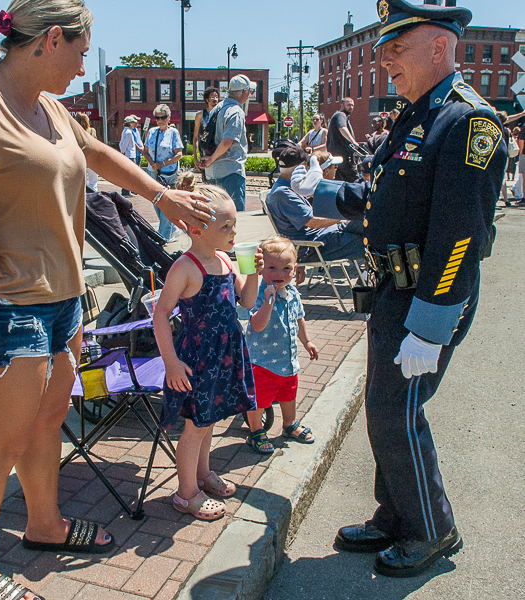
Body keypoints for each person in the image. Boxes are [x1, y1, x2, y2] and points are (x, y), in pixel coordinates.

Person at [0, 3, 213, 599]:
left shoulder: (48, 107)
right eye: (80, 52)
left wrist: (162, 196)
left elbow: (97, 156)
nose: (82, 67)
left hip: (63, 301)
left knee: (49, 419)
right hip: (5, 306)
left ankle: (45, 525)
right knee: (4, 442)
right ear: (52, 40)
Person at [293, 0, 506, 578]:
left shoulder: (467, 122)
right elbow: (381, 194)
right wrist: (318, 196)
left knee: (398, 412)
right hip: (395, 286)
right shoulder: (419, 114)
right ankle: (397, 513)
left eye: (396, 47)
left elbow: (460, 235)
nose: (383, 58)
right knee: (385, 409)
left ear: (439, 46)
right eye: (382, 47)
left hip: (430, 295)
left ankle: (433, 529)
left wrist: (430, 324)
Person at [153, 181, 261, 520]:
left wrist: (253, 272)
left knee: (209, 419)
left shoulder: (226, 261)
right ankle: (186, 493)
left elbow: (245, 302)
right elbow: (159, 315)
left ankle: (203, 473)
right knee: (195, 426)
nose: (233, 232)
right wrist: (170, 362)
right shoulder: (185, 268)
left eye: (234, 225)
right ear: (196, 229)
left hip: (224, 356)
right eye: (225, 226)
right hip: (198, 359)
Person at [245, 236, 318, 454]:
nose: (279, 273)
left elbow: (299, 318)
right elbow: (257, 325)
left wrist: (307, 341)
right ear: (260, 269)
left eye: (286, 268)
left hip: (287, 360)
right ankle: (256, 430)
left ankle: (289, 425)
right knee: (259, 398)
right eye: (272, 267)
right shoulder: (258, 295)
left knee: (289, 394)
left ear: (294, 269)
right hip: (262, 361)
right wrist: (268, 301)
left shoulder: (293, 293)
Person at [267, 142, 364, 269]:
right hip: (314, 246)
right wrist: (343, 216)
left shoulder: (287, 187)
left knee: (366, 223)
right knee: (369, 241)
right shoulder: (283, 193)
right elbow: (313, 222)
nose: (308, 170)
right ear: (299, 168)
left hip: (322, 236)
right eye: (306, 167)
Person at [200, 74, 256, 212]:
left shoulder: (217, 108)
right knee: (235, 217)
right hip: (230, 170)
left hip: (212, 172)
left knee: (216, 217)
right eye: (249, 91)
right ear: (243, 92)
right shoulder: (235, 111)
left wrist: (209, 160)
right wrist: (212, 159)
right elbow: (227, 141)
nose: (249, 94)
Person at [144, 104, 184, 242]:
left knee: (166, 202)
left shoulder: (173, 133)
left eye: (163, 117)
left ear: (169, 117)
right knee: (156, 202)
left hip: (169, 173)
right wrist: (152, 164)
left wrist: (162, 164)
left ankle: (163, 235)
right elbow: (145, 151)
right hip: (154, 172)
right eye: (157, 117)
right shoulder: (151, 132)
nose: (160, 120)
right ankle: (172, 229)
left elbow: (179, 154)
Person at [326, 97, 359, 183]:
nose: (351, 107)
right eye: (348, 105)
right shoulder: (340, 115)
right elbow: (342, 128)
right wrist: (353, 141)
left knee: (340, 182)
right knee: (355, 181)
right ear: (342, 105)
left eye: (352, 105)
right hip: (344, 157)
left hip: (337, 157)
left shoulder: (339, 116)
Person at [193, 86, 220, 180]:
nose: (215, 99)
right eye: (212, 96)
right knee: (207, 181)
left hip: (218, 151)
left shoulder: (220, 114)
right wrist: (195, 157)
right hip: (204, 152)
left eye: (216, 96)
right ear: (207, 99)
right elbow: (196, 137)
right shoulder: (200, 115)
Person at [119, 114, 142, 197]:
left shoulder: (125, 131)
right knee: (130, 174)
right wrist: (123, 152)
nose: (135, 124)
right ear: (130, 123)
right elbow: (124, 144)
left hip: (130, 154)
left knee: (129, 174)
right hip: (130, 155)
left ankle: (128, 190)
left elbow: (121, 144)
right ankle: (127, 191)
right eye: (133, 122)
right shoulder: (128, 132)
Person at [74, 112, 98, 191]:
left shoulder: (74, 131)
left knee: (81, 184)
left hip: (79, 159)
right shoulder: (91, 131)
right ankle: (94, 198)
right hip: (91, 158)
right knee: (93, 183)